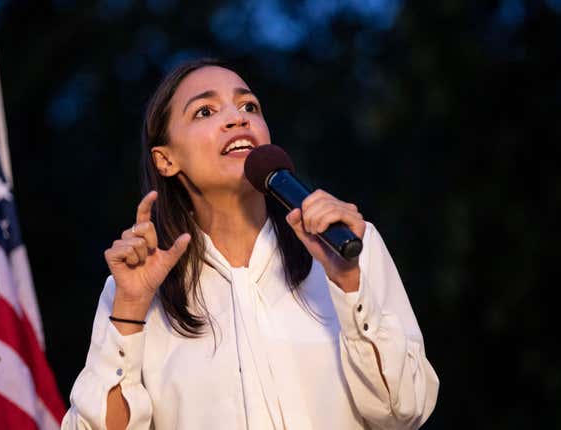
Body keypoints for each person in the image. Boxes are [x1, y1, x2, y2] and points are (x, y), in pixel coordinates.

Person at [61, 58, 439, 430]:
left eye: (249, 106)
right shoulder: (136, 290)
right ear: (165, 159)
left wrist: (349, 284)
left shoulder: (348, 244)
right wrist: (129, 308)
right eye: (205, 111)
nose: (238, 118)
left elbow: (404, 410)